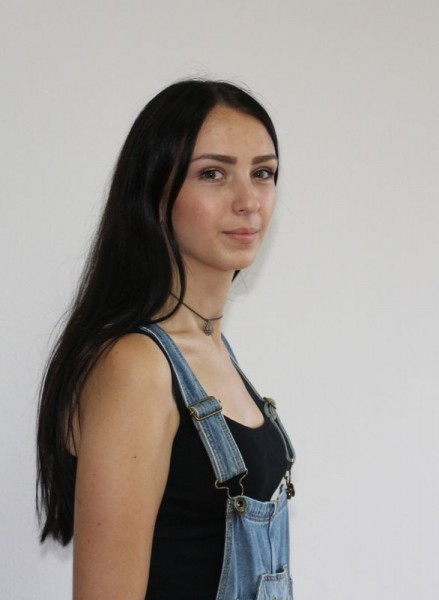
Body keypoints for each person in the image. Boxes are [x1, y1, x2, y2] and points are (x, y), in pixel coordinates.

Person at [37, 79, 296, 600]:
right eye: (213, 173)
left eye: (262, 173)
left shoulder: (211, 350)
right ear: (157, 192)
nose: (249, 201)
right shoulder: (137, 366)